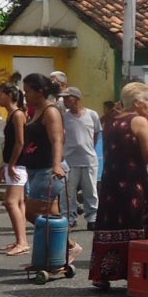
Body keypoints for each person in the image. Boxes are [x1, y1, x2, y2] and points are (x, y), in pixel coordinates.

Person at [89, 82, 148, 289]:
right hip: (133, 181)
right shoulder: (138, 121)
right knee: (137, 223)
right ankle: (139, 273)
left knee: (110, 223)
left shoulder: (110, 121)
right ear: (136, 102)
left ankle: (103, 274)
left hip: (110, 181)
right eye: (146, 101)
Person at [21, 73, 82, 264]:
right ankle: (57, 252)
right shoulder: (36, 110)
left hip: (48, 169)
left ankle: (70, 245)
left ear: (40, 92)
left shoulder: (50, 111)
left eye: (28, 91)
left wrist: (56, 164)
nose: (25, 94)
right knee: (50, 215)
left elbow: (57, 139)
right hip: (35, 168)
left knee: (30, 212)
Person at [62, 87, 101, 231]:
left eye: (67, 98)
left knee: (90, 191)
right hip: (70, 160)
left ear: (76, 99)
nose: (65, 101)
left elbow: (96, 134)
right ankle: (69, 217)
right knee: (68, 192)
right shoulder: (64, 117)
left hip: (88, 159)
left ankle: (92, 217)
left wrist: (88, 147)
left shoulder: (92, 115)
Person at [0, 83, 30, 256]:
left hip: (18, 164)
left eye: (0, 95)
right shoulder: (11, 114)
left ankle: (23, 242)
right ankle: (21, 239)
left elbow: (20, 141)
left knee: (10, 202)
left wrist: (11, 164)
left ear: (10, 95)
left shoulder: (17, 114)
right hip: (13, 163)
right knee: (19, 202)